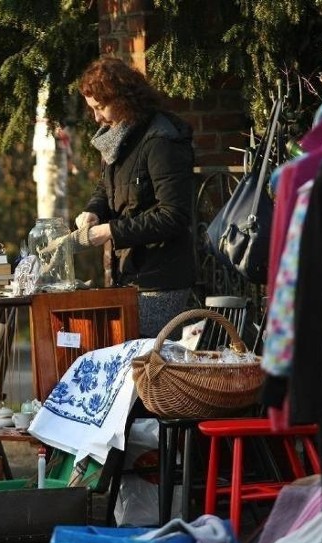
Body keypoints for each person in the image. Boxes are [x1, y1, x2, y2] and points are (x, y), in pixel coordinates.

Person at [70, 57, 196, 338]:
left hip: (161, 281)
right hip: (130, 278)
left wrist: (110, 231)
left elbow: (174, 215)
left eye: (100, 107)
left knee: (146, 369)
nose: (97, 118)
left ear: (123, 98)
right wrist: (94, 212)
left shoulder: (161, 140)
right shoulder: (118, 137)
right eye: (92, 109)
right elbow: (106, 187)